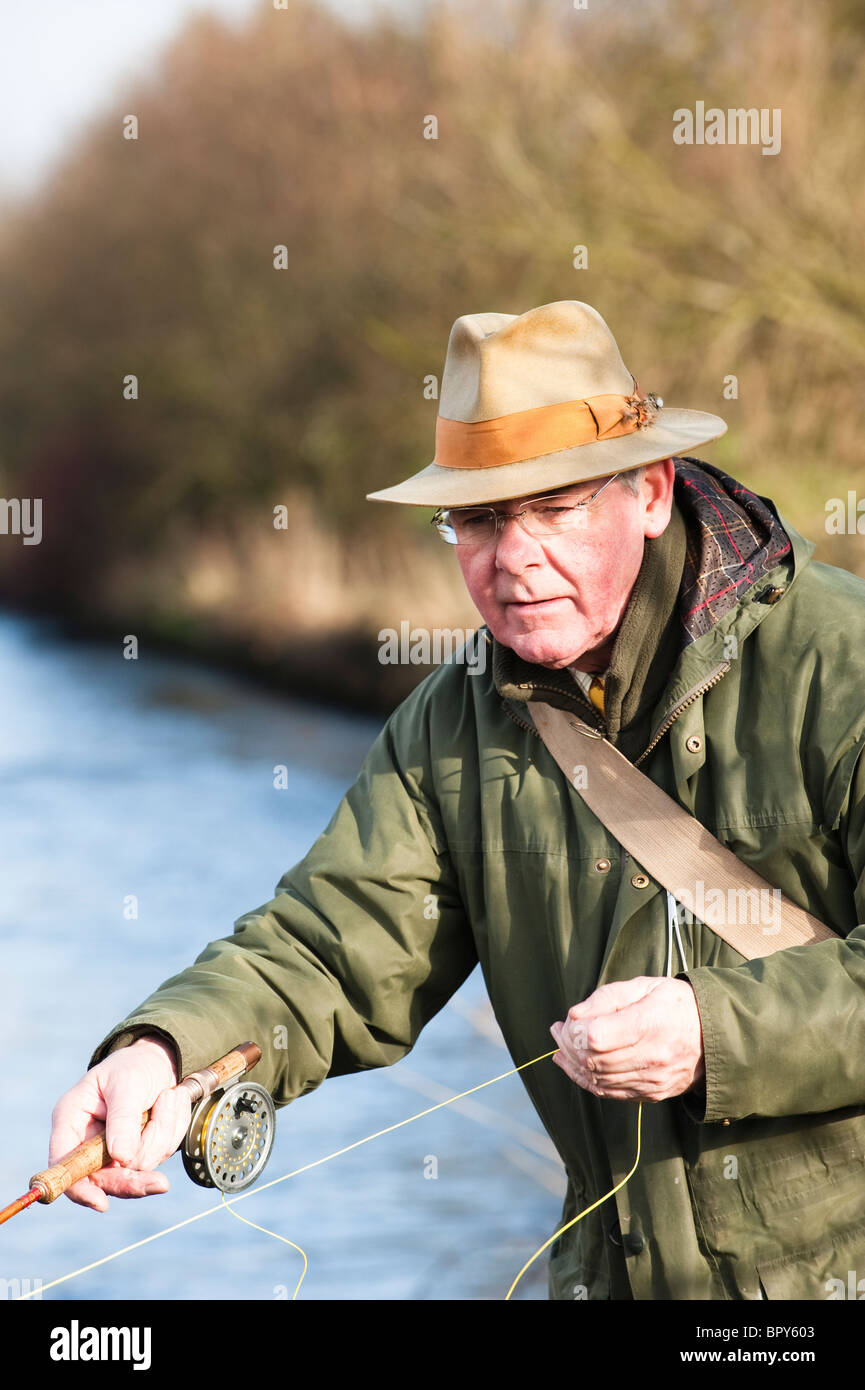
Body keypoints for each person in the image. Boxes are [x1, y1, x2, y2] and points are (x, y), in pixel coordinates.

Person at [49, 300, 865, 1300]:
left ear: (649, 491)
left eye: (554, 507)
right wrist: (163, 1048)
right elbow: (327, 949)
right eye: (476, 519)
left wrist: (716, 1030)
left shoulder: (839, 667)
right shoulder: (450, 728)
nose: (511, 558)